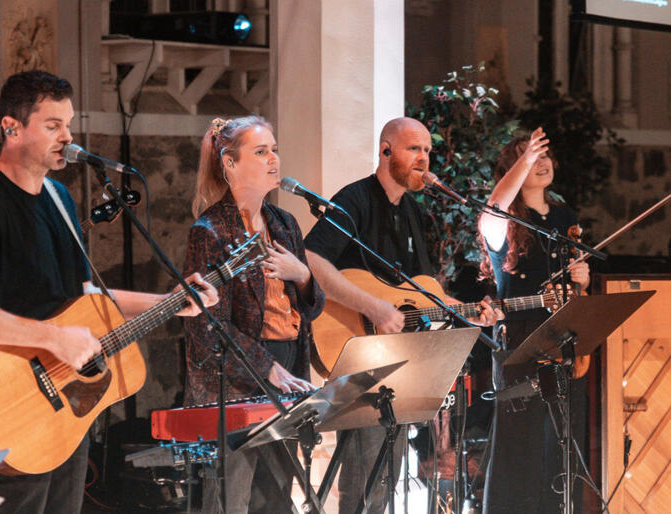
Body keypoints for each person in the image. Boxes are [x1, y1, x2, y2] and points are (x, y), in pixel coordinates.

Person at [0, 70, 218, 514]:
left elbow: (84, 294)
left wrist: (172, 302)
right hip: (13, 401)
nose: (67, 136)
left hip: (66, 408)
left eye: (68, 124)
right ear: (11, 128)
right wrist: (53, 338)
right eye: (53, 125)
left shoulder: (60, 199)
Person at [304, 116, 503, 513]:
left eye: (428, 151)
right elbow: (310, 259)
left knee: (385, 477)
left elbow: (421, 292)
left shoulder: (411, 210)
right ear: (386, 151)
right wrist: (373, 306)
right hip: (354, 349)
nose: (424, 159)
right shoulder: (354, 199)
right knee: (363, 479)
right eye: (415, 149)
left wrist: (469, 314)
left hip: (396, 363)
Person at [182, 116, 324, 513]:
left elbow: (312, 309)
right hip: (239, 379)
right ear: (229, 163)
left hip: (289, 364)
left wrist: (304, 276)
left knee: (277, 500)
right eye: (261, 152)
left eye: (274, 149)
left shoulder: (284, 223)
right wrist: (265, 367)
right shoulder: (210, 231)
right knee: (231, 501)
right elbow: (206, 328)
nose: (273, 159)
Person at [477, 128, 590, 513]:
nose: (542, 162)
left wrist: (583, 278)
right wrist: (524, 159)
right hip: (519, 341)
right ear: (514, 168)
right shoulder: (503, 220)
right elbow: (492, 208)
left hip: (562, 339)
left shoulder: (563, 216)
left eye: (544, 156)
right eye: (529, 157)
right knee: (519, 445)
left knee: (559, 442)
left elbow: (576, 277)